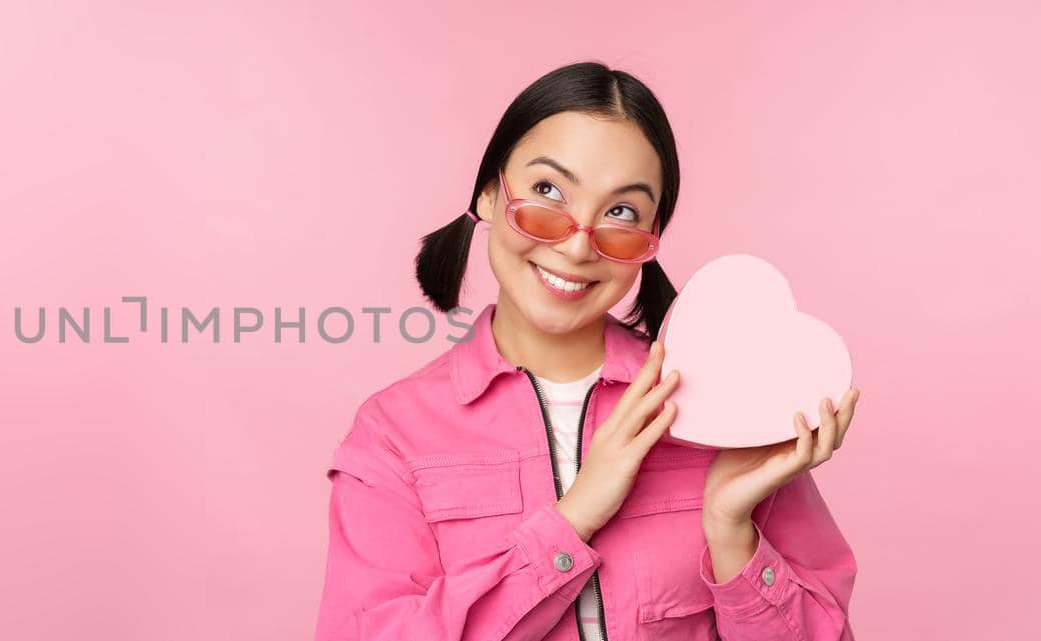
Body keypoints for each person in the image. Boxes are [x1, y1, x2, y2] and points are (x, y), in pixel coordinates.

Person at [312, 61, 861, 641]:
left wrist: (732, 533)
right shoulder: (394, 433)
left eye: (621, 212)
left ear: (650, 240)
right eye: (548, 191)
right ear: (492, 195)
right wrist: (573, 519)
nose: (577, 246)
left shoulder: (726, 401)